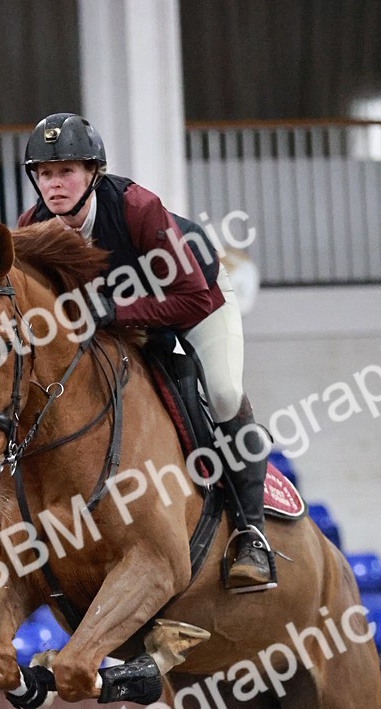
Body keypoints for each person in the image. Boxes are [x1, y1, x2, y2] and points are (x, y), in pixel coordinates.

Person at [18, 112, 272, 590]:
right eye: (45, 173)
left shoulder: (136, 207)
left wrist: (114, 311)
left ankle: (251, 532)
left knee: (221, 391)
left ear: (93, 173)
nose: (55, 184)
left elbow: (192, 297)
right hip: (120, 325)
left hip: (198, 301)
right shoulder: (33, 227)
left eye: (67, 171)